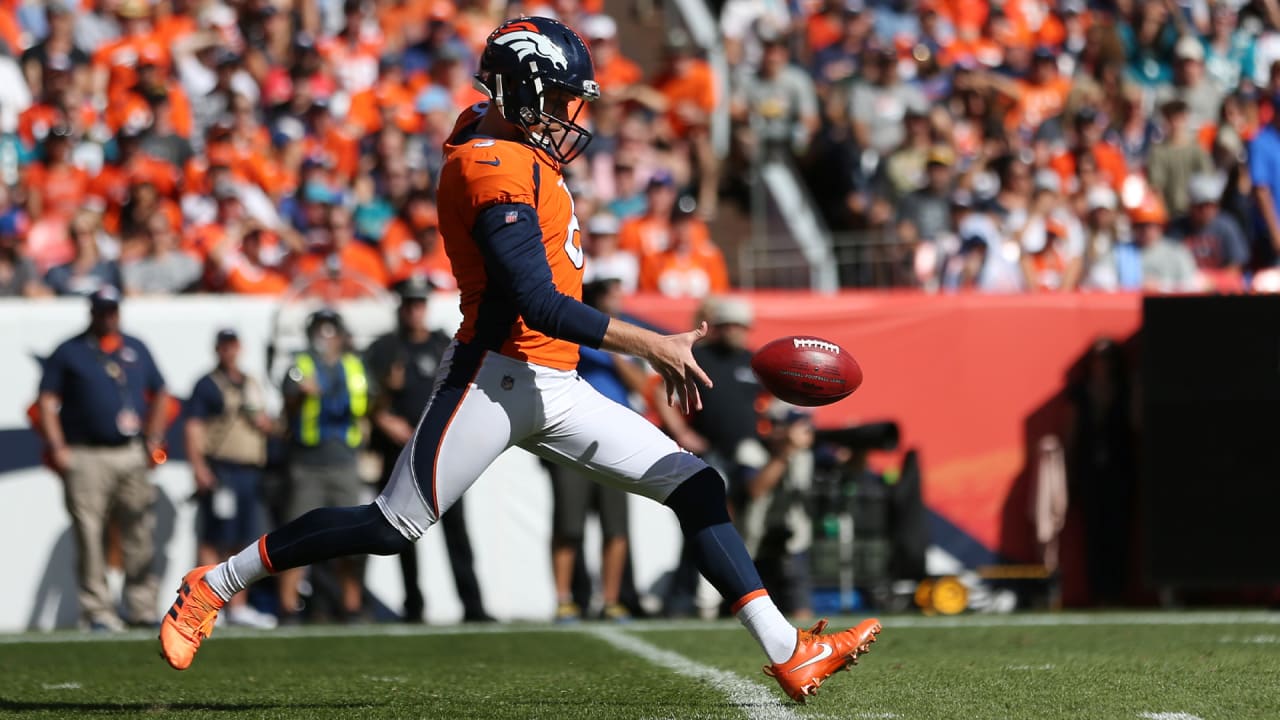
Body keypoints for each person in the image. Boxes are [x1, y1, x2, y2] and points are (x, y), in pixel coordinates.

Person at [159, 18, 881, 704]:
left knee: (695, 485)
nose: (571, 113)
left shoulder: (502, 140)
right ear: (521, 91)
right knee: (389, 528)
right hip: (493, 381)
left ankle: (788, 650)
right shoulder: (489, 166)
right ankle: (215, 584)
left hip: (556, 383)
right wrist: (653, 344)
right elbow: (538, 302)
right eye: (562, 96)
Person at [363, 275, 494, 624]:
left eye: (420, 304)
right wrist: (387, 408)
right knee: (401, 531)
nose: (415, 312)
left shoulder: (441, 343)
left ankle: (473, 605)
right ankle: (413, 605)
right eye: (409, 304)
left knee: (458, 532)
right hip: (400, 451)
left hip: (441, 449)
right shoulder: (384, 348)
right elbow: (368, 406)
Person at [37, 286, 168, 631]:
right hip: (86, 453)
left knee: (140, 529)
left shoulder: (136, 348)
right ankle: (98, 611)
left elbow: (161, 392)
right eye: (101, 311)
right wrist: (58, 446)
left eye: (112, 310)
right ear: (91, 313)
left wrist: (153, 435)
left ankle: (141, 606)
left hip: (130, 451)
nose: (108, 317)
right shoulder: (71, 351)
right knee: (90, 533)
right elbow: (47, 400)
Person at [546, 278, 644, 623]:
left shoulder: (625, 338)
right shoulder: (573, 333)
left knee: (615, 526)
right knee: (568, 524)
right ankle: (563, 599)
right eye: (613, 295)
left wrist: (616, 346)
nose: (619, 301)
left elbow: (642, 386)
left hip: (615, 439)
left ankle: (611, 600)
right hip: (571, 437)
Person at [277, 308, 371, 623]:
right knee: (296, 534)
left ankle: (351, 604)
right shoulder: (300, 365)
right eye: (321, 329)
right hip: (308, 462)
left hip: (344, 460)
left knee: (350, 538)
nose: (326, 336)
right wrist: (300, 395)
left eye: (331, 329)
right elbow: (287, 408)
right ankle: (288, 606)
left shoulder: (354, 366)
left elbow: (371, 404)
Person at [184, 329, 278, 629]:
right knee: (215, 536)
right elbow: (193, 428)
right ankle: (207, 602)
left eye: (233, 346)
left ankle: (237, 605)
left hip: (249, 469)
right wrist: (199, 467)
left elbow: (264, 420)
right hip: (222, 467)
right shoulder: (208, 385)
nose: (229, 352)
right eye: (224, 347)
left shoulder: (250, 382)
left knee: (243, 538)